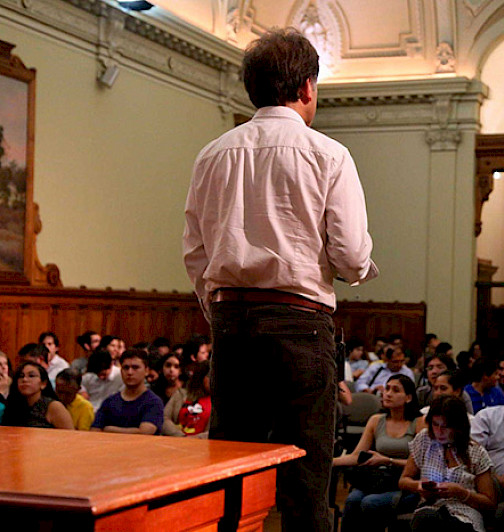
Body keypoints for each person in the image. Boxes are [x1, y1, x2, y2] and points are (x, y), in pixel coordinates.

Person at [182, 28, 378, 532]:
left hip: (231, 324)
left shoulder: (212, 154)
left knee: (230, 473)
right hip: (300, 324)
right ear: (308, 87)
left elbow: (196, 253)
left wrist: (222, 308)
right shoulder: (328, 154)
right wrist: (351, 272)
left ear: (253, 88)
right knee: (306, 482)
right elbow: (353, 254)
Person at [333, 375, 424, 532]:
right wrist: (329, 461)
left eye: (395, 390)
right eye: (387, 388)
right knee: (352, 500)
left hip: (406, 483)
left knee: (370, 503)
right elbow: (356, 456)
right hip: (378, 480)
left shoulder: (419, 422)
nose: (387, 393)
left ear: (408, 398)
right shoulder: (376, 420)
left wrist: (388, 460)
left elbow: (422, 465)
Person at [399, 395, 497, 532]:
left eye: (446, 426)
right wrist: (419, 486)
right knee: (427, 518)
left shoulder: (476, 452)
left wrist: (462, 493)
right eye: (435, 424)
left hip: (464, 515)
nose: (439, 431)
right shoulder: (424, 440)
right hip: (430, 509)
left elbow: (490, 504)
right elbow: (403, 480)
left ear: (458, 427)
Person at [91, 349, 164, 435]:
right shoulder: (110, 401)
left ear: (146, 371)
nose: (129, 372)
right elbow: (94, 431)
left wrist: (108, 429)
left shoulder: (153, 402)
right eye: (126, 368)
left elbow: (144, 432)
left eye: (135, 367)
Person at [2, 361, 73, 429]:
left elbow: (70, 437)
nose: (25, 379)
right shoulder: (13, 406)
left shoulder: (53, 407)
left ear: (43, 384)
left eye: (31, 376)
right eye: (21, 376)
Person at [163, 360, 211, 438]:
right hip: (176, 441)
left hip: (204, 445)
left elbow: (218, 430)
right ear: (201, 376)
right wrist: (181, 436)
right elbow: (164, 418)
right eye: (211, 376)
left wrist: (194, 439)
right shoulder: (181, 394)